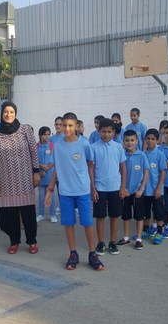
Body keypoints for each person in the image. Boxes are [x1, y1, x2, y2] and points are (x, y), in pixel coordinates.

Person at [45, 112, 104, 271]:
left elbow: (90, 165)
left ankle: (92, 254)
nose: (67, 128)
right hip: (65, 192)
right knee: (68, 223)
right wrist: (50, 190)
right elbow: (57, 168)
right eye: (64, 125)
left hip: (83, 190)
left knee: (87, 222)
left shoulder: (84, 144)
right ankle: (73, 253)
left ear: (77, 126)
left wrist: (93, 188)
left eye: (70, 125)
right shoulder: (57, 146)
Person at [0, 101, 40, 255]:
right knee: (9, 214)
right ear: (1, 113)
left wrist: (36, 172)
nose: (8, 115)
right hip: (5, 180)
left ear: (15, 113)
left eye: (11, 112)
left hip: (24, 178)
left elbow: (33, 152)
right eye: (6, 112)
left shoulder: (25, 130)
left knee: (28, 213)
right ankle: (14, 241)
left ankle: (32, 241)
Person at [91, 117, 128, 256]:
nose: (106, 134)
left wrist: (123, 187)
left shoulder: (118, 147)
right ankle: (101, 243)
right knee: (100, 216)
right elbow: (90, 170)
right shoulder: (93, 147)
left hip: (115, 188)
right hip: (100, 188)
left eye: (109, 132)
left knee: (114, 215)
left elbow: (123, 168)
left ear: (113, 132)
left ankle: (112, 242)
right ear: (99, 131)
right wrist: (92, 188)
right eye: (103, 131)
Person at [118, 130, 149, 250]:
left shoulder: (141, 155)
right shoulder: (122, 155)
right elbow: (119, 172)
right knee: (126, 215)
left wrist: (141, 189)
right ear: (123, 142)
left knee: (139, 216)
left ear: (136, 141)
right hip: (125, 192)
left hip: (137, 192)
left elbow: (146, 173)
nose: (129, 143)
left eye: (132, 140)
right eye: (127, 140)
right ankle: (126, 237)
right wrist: (122, 188)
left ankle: (138, 239)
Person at [142, 129, 167, 245]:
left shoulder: (160, 154)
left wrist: (158, 188)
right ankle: (146, 230)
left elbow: (162, 172)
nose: (150, 141)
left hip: (156, 190)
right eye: (148, 139)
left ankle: (159, 232)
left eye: (153, 139)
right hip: (145, 190)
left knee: (158, 212)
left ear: (157, 141)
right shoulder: (142, 154)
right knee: (145, 211)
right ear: (145, 139)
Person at [37, 126, 58, 223]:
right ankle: (41, 214)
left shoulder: (53, 145)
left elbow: (57, 159)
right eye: (44, 134)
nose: (46, 136)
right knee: (41, 196)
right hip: (41, 175)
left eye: (48, 134)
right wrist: (41, 166)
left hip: (50, 176)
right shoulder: (35, 146)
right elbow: (32, 161)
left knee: (52, 196)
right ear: (40, 135)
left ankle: (53, 214)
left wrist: (49, 167)